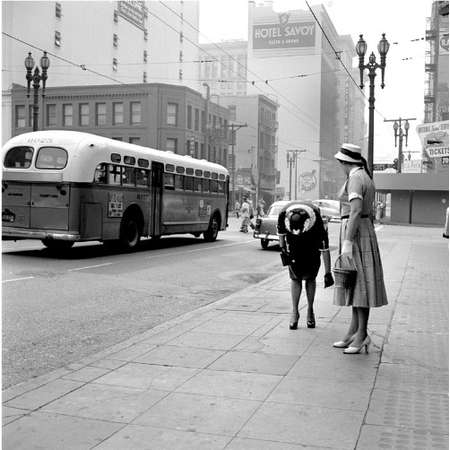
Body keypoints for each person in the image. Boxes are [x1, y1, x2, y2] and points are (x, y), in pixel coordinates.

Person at [333, 143, 388, 354]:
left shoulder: (356, 178)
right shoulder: (364, 176)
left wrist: (347, 242)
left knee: (360, 285)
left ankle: (361, 334)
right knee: (358, 284)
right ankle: (353, 332)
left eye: (340, 162)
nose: (339, 165)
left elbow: (355, 211)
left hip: (356, 232)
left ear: (345, 162)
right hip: (364, 230)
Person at [277, 201, 334, 329]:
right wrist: (284, 251)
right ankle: (295, 312)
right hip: (293, 246)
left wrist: (328, 272)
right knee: (295, 278)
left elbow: (325, 249)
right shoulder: (283, 215)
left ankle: (310, 310)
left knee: (310, 278)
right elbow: (281, 236)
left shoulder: (318, 222)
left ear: (307, 222)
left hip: (312, 246)